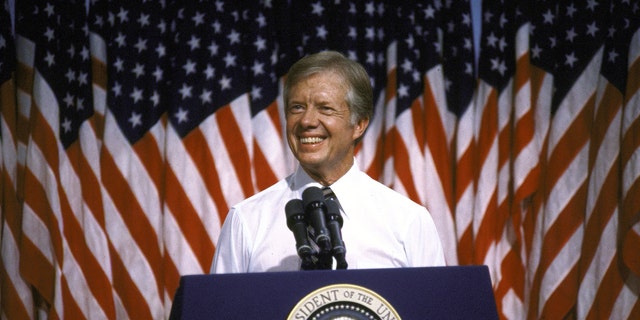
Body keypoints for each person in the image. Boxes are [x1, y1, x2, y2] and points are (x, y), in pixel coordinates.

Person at [210, 50, 445, 273]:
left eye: (325, 108)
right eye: (297, 107)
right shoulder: (246, 221)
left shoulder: (408, 221)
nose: (307, 121)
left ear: (359, 124)